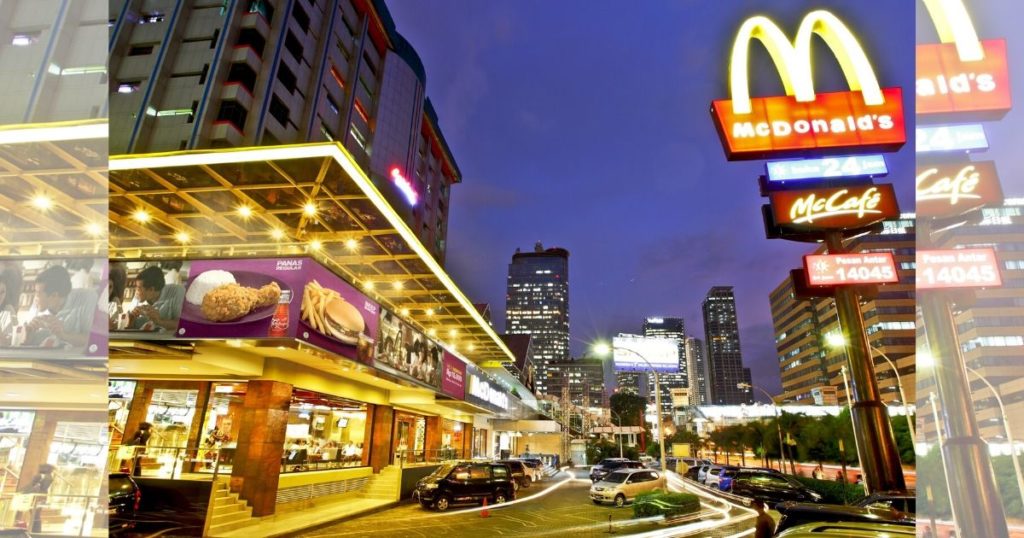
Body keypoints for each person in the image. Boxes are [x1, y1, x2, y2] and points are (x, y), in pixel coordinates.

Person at [27, 264, 95, 347]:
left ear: (54, 295)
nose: (35, 297)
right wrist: (28, 335)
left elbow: (94, 340)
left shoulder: (87, 299)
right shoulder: (36, 305)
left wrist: (64, 335)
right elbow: (26, 341)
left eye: (38, 293)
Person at [130, 266, 183, 332]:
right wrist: (131, 319)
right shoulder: (138, 297)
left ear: (151, 289)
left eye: (139, 288)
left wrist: (159, 321)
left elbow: (182, 324)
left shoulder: (177, 292)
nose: (136, 291)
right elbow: (130, 326)